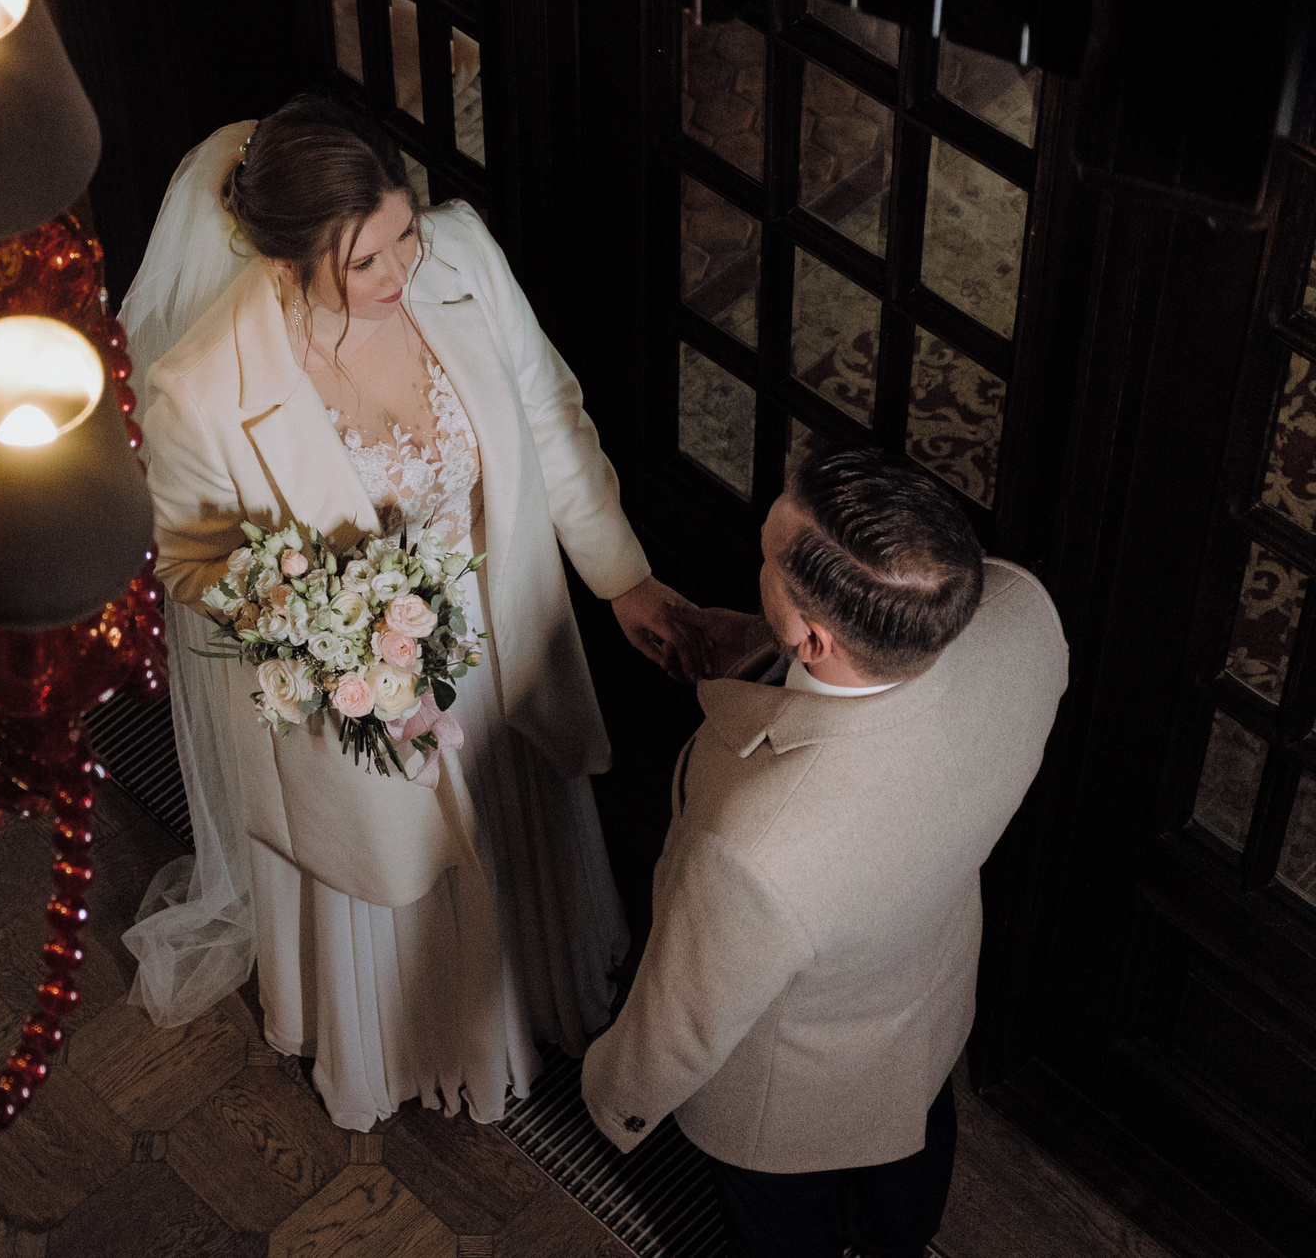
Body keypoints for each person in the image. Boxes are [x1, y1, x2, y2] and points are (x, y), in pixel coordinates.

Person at [119, 96, 703, 1130]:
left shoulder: (463, 259)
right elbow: (191, 555)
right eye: (366, 264)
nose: (400, 275)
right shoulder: (200, 388)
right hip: (364, 687)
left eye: (404, 236)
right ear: (285, 263)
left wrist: (622, 579)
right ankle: (427, 1043)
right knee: (403, 853)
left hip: (501, 634)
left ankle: (535, 1003)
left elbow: (548, 414)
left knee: (515, 829)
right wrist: (321, 613)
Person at [581, 448, 1069, 1258]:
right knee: (906, 1185)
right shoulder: (1025, 614)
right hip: (928, 1005)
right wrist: (760, 649)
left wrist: (615, 1094)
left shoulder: (754, 846)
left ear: (814, 636)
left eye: (768, 557)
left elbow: (683, 1021)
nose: (759, 555)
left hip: (784, 1098)